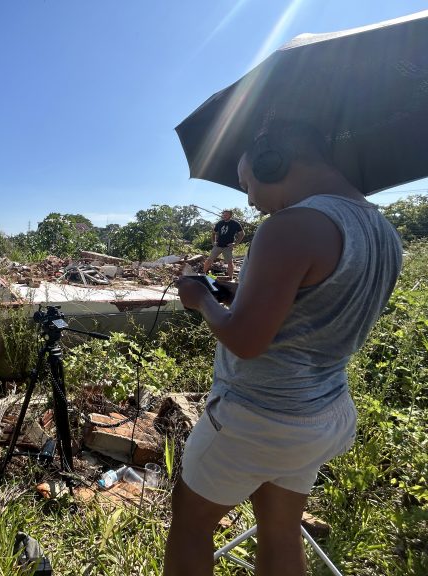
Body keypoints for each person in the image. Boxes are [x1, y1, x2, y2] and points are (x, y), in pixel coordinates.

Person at [164, 120, 402, 576]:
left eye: (247, 182)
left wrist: (203, 301)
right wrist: (243, 291)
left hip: (258, 416)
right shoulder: (383, 232)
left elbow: (247, 341)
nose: (250, 199)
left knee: (191, 527)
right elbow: (316, 301)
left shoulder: (290, 226)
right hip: (323, 412)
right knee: (280, 530)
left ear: (273, 162)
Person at [202, 210, 244, 278]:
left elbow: (242, 234)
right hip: (218, 246)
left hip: (227, 247)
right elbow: (213, 233)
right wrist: (213, 242)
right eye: (223, 215)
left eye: (226, 215)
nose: (224, 216)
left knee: (230, 263)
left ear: (230, 216)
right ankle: (203, 273)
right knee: (209, 260)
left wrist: (235, 244)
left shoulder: (235, 223)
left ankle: (230, 278)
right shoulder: (219, 223)